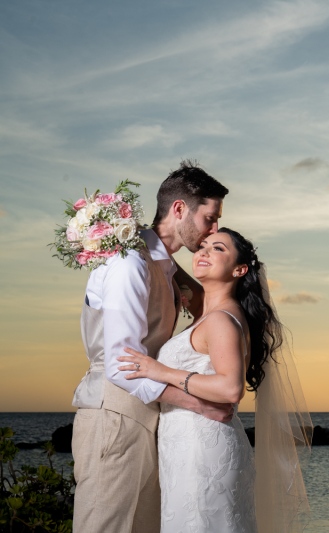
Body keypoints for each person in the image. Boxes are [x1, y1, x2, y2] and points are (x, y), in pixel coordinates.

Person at [71, 160, 231, 533]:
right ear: (179, 210)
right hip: (113, 416)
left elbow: (210, 304)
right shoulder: (130, 264)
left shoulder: (166, 268)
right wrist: (196, 402)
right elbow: (121, 364)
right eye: (210, 218)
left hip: (148, 418)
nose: (214, 229)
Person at [118, 228, 312, 533]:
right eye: (202, 246)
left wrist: (161, 371)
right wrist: (138, 232)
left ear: (239, 269)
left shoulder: (222, 319)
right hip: (188, 445)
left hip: (203, 449)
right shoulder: (208, 311)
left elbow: (230, 388)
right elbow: (173, 270)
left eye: (218, 249)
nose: (204, 252)